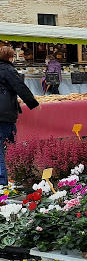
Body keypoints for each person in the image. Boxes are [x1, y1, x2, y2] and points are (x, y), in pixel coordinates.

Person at [0, 46, 39, 186]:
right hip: (4, 114)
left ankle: (9, 178)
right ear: (10, 57)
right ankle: (4, 182)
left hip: (4, 112)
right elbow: (20, 87)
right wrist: (33, 103)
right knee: (9, 146)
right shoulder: (8, 69)